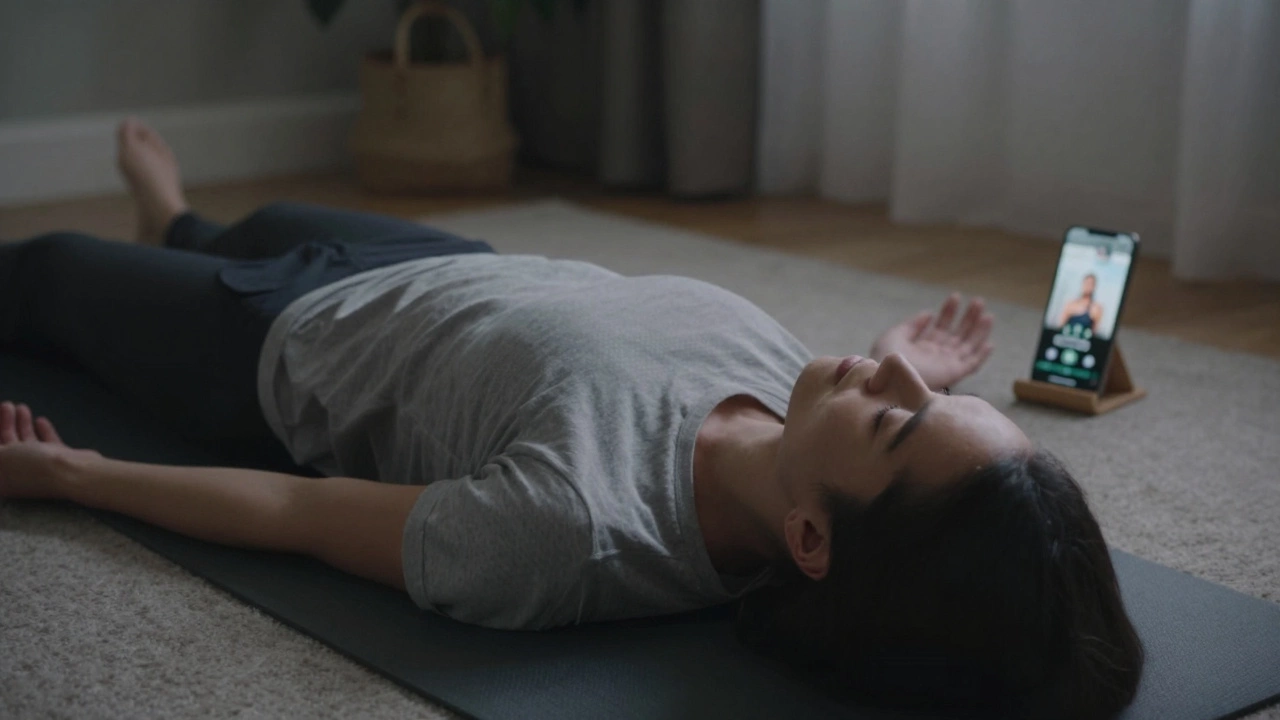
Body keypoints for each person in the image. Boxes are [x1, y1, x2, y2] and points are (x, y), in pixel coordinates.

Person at [0, 119, 1143, 717]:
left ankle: (167, 247)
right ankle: (179, 221)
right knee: (250, 222)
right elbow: (870, 441)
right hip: (444, 267)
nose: (895, 382)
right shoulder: (815, 424)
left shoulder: (568, 531)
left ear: (809, 542)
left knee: (45, 271)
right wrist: (905, 371)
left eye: (902, 420)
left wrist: (78, 483)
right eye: (933, 398)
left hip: (270, 345)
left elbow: (301, 511)